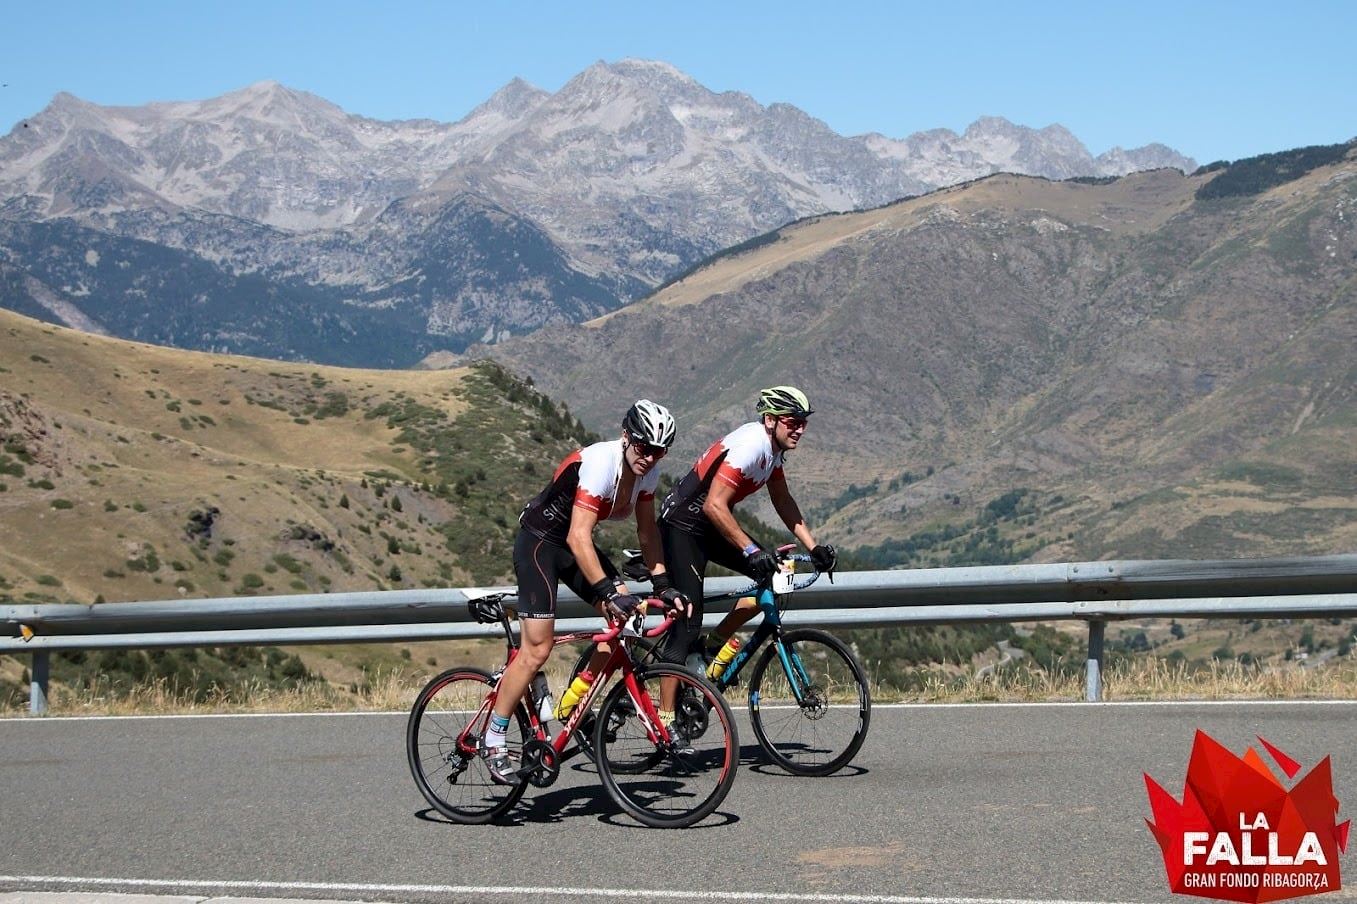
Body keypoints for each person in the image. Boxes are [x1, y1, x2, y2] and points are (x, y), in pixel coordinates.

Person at [480, 399, 689, 784]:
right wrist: (609, 591)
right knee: (537, 649)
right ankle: (493, 738)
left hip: (577, 547)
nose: (649, 457)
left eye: (659, 452)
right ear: (627, 437)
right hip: (541, 543)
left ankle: (575, 699)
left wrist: (663, 583)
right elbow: (578, 535)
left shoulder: (648, 474)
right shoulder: (599, 462)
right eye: (644, 447)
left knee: (627, 621)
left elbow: (647, 533)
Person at [656, 386, 836, 726]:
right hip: (682, 526)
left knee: (769, 576)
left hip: (710, 525)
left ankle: (711, 648)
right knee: (686, 622)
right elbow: (713, 504)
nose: (799, 429)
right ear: (770, 420)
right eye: (792, 421)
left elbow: (783, 501)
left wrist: (814, 547)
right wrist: (752, 551)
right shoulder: (752, 446)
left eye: (803, 423)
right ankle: (665, 723)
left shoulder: (773, 451)